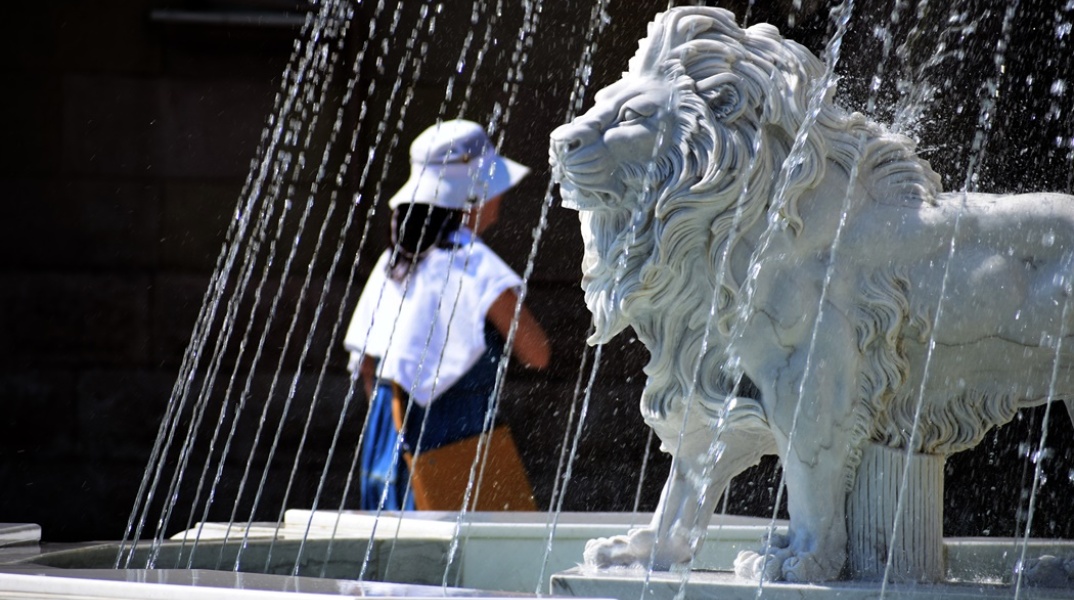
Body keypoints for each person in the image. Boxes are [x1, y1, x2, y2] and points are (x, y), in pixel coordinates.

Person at [343, 119, 550, 511]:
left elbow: (367, 365)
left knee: (389, 562)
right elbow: (538, 353)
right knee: (468, 565)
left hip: (385, 437)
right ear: (474, 195)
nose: (500, 198)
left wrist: (398, 417)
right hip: (455, 439)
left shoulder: (395, 262)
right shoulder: (475, 264)